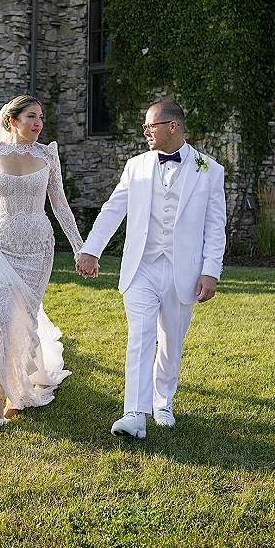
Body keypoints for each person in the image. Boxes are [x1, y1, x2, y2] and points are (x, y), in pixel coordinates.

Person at [76, 100, 226, 438]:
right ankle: (134, 414)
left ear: (172, 126)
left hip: (182, 270)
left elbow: (216, 227)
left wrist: (210, 271)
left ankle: (163, 401)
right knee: (140, 336)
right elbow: (114, 208)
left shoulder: (209, 170)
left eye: (150, 126)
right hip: (140, 267)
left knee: (171, 343)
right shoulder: (136, 166)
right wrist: (91, 249)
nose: (145, 132)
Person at [0, 95, 83, 427]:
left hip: (37, 250)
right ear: (12, 121)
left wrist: (81, 248)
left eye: (41, 117)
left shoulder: (47, 154)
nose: (38, 123)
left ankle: (19, 385)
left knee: (21, 320)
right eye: (31, 117)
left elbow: (60, 205)